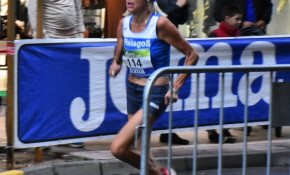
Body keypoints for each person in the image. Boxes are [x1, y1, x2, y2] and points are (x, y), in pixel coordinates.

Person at [109, 0, 199, 174]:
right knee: (141, 149)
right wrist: (115, 63)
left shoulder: (161, 24)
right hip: (132, 89)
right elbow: (119, 51)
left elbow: (192, 55)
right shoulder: (123, 24)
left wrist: (176, 86)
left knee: (118, 147)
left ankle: (160, 173)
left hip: (155, 92)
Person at [26, 0, 85, 148]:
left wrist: (79, 33)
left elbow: (77, 8)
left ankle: (70, 132)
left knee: (70, 90)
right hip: (50, 41)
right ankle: (44, 135)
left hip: (71, 41)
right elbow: (33, 10)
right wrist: (42, 38)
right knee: (48, 91)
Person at [207, 5, 243, 143]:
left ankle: (225, 130)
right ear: (227, 19)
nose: (239, 22)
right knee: (215, 105)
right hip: (216, 79)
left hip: (232, 79)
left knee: (227, 105)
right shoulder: (215, 34)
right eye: (237, 19)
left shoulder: (239, 35)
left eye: (241, 19)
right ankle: (212, 131)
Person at [157, 0, 190, 145]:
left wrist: (184, 6)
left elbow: (181, 19)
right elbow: (164, 15)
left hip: (170, 42)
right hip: (157, 43)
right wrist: (179, 5)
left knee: (167, 88)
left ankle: (167, 130)